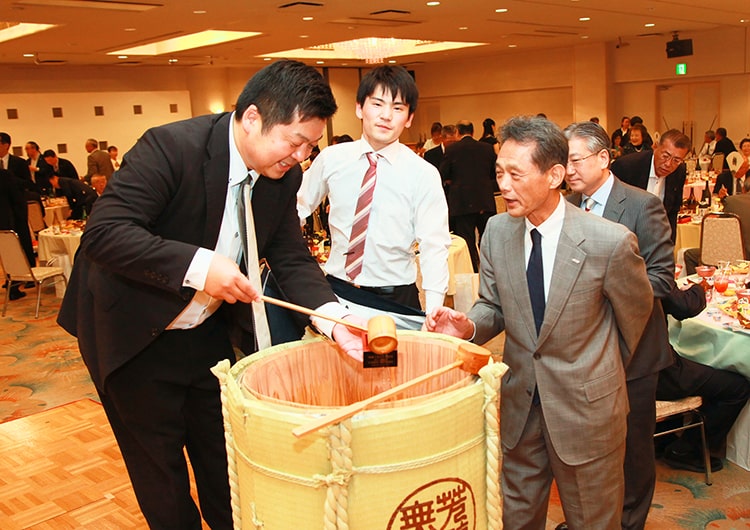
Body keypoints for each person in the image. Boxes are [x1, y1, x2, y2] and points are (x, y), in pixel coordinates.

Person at [57, 60, 364, 530]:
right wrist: (199, 266)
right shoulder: (170, 147)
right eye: (294, 141)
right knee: (163, 483)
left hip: (205, 333)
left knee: (226, 470)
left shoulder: (282, 177)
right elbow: (105, 233)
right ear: (253, 117)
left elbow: (289, 255)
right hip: (133, 335)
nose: (301, 156)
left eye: (310, 146)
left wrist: (332, 318)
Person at [426, 115, 654, 529]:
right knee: (515, 518)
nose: (504, 185)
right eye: (500, 173)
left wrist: (595, 374)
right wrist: (468, 327)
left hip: (586, 412)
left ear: (554, 175)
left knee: (593, 520)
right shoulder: (496, 232)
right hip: (521, 406)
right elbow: (494, 305)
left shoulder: (609, 242)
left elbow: (634, 320)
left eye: (516, 174)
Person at [564, 121, 675, 530]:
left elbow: (662, 278)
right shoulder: (567, 205)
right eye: (563, 161)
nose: (568, 170)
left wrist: (600, 292)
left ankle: (629, 522)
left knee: (632, 449)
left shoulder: (642, 205)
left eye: (575, 160)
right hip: (582, 349)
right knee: (588, 444)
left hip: (634, 348)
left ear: (603, 158)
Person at [297, 65, 451, 329]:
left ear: (409, 118)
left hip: (395, 299)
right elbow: (297, 207)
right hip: (337, 293)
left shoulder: (423, 173)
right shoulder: (331, 159)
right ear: (359, 108)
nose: (386, 116)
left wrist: (434, 310)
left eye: (398, 108)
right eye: (377, 104)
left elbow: (434, 245)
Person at [657, 281, 750, 473]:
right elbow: (684, 306)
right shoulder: (650, 271)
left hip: (627, 368)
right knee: (737, 387)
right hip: (658, 373)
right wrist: (699, 288)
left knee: (697, 361)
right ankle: (687, 450)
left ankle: (661, 437)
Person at [611, 128, 691, 243]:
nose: (668, 164)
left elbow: (673, 211)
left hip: (655, 237)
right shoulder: (626, 167)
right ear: (655, 147)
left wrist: (669, 244)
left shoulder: (679, 171)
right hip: (623, 237)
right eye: (665, 156)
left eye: (676, 160)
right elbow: (611, 208)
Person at [440, 120, 497, 272]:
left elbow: (443, 173)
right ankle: (489, 271)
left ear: (457, 132)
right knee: (487, 239)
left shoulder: (452, 150)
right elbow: (494, 173)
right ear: (473, 132)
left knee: (467, 240)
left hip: (462, 202)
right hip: (484, 200)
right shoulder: (487, 148)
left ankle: (473, 272)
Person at [0, 168, 32, 300]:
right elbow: (16, 199)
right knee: (13, 254)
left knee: (5, 255)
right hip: (8, 220)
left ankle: (10, 282)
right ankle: (13, 286)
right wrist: (22, 218)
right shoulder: (5, 175)